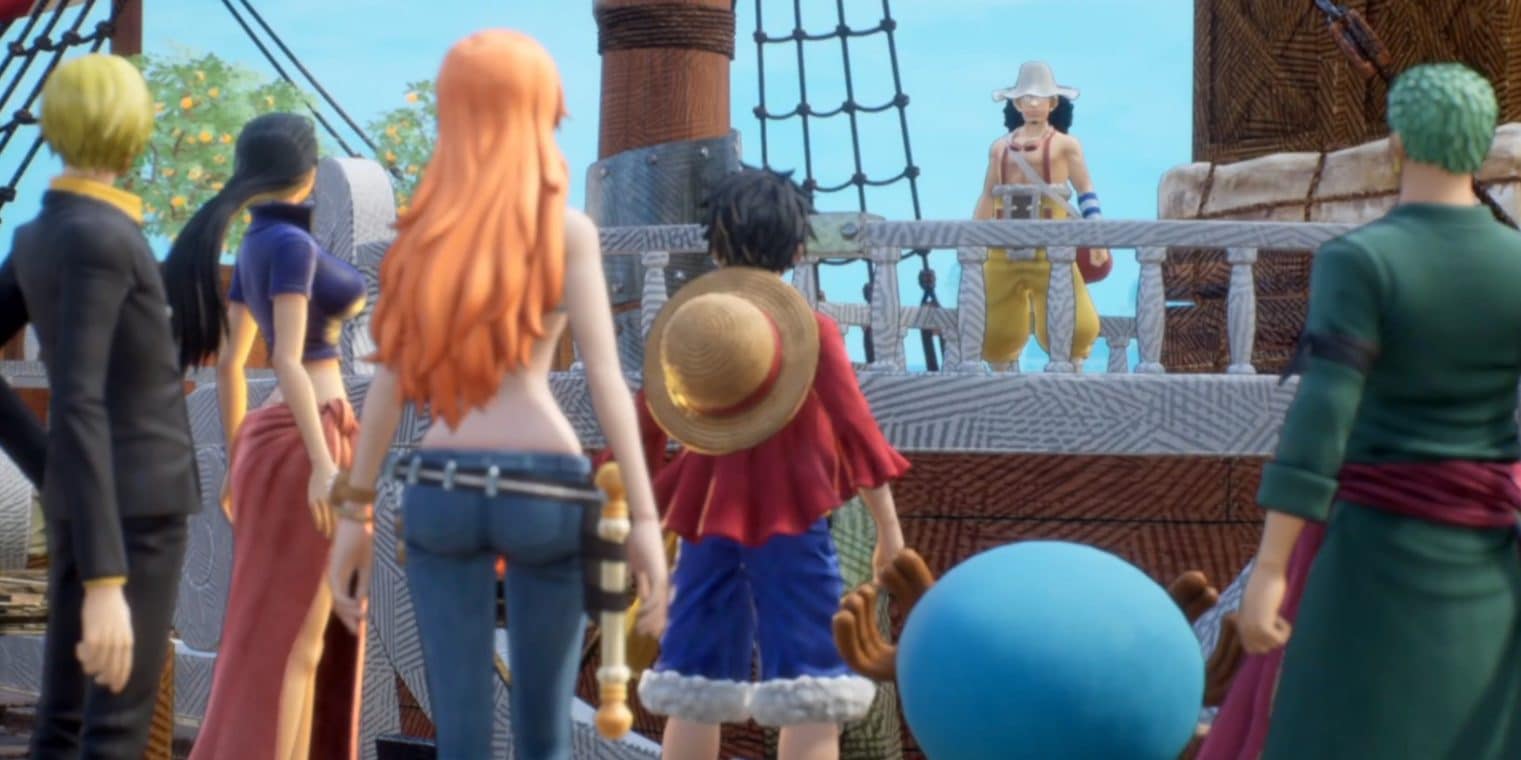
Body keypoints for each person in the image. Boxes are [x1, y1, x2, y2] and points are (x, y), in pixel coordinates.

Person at [322, 30, 669, 760]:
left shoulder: (424, 238)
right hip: (546, 484)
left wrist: (355, 514)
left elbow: (389, 387)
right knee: (544, 730)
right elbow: (607, 378)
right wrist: (643, 517)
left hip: (441, 483)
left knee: (461, 732)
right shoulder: (567, 232)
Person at [1236, 62, 1521, 759]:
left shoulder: (1360, 261)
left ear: (1396, 144)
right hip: (1489, 561)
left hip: (1371, 559)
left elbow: (1323, 414)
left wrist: (1271, 567)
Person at [630, 167, 909, 760]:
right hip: (795, 523)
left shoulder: (688, 330)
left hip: (706, 522)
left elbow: (643, 432)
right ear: (798, 249)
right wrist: (888, 529)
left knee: (694, 683)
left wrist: (636, 522)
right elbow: (858, 432)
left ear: (714, 247)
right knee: (812, 685)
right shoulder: (813, 331)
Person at [0, 53, 199, 758]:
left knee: (65, 724)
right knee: (114, 728)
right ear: (131, 128)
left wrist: (51, 466)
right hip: (132, 513)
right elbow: (80, 397)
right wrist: (108, 580)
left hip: (88, 497)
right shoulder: (101, 236)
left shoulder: (40, 234)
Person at [162, 113, 365, 760]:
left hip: (282, 440)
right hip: (308, 439)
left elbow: (230, 365)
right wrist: (321, 464)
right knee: (299, 642)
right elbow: (283, 360)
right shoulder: (290, 247)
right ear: (308, 172)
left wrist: (236, 458)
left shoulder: (258, 241)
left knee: (301, 640)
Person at [975, 61, 1109, 369]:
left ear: (1053, 103)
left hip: (1051, 241)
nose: (1033, 104)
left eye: (1040, 98)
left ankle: (1073, 368)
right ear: (1017, 103)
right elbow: (988, 194)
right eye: (1026, 98)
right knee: (994, 319)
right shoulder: (1000, 149)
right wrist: (975, 236)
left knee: (1071, 316)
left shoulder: (1065, 146)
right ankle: (1001, 373)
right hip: (1003, 241)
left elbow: (1085, 189)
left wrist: (1097, 236)